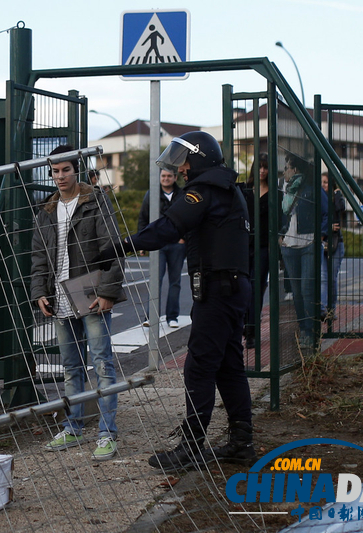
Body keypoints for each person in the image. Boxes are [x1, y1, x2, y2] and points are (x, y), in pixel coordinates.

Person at [98, 131, 256, 472]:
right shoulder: (228, 189)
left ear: (198, 159)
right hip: (231, 286)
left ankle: (190, 448)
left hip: (217, 289)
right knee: (228, 365)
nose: (181, 169)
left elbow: (168, 227)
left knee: (198, 367)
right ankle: (242, 442)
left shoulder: (204, 191)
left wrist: (122, 244)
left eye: (184, 161)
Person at [31, 144, 125, 462]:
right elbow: (39, 258)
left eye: (66, 170)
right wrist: (40, 292)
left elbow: (112, 246)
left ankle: (107, 432)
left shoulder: (96, 201)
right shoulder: (45, 211)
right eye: (55, 171)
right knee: (71, 367)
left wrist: (109, 292)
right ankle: (73, 427)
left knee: (102, 364)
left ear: (77, 169)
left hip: (89, 293)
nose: (60, 177)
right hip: (58, 297)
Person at [280, 154, 328, 349]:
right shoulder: (283, 188)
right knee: (297, 292)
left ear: (295, 170)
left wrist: (321, 235)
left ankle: (311, 332)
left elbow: (326, 212)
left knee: (308, 290)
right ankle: (303, 329)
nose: (284, 171)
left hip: (308, 243)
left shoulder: (312, 189)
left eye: (287, 167)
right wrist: (279, 236)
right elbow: (278, 213)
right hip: (288, 246)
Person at [138, 168, 186, 328]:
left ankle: (173, 317)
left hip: (177, 245)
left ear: (175, 177)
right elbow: (143, 217)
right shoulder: (150, 194)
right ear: (159, 177)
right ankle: (151, 316)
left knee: (175, 282)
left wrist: (183, 238)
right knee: (155, 281)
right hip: (157, 244)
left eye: (169, 176)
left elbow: (190, 217)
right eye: (163, 176)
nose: (166, 178)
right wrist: (142, 242)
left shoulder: (182, 194)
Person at [241, 153, 274, 348]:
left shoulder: (275, 194)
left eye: (266, 167)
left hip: (263, 247)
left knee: (257, 288)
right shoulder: (245, 191)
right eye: (259, 167)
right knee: (243, 288)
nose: (262, 170)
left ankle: (252, 331)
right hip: (243, 246)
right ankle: (244, 325)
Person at [320, 172, 345, 323]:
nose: (323, 185)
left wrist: (338, 193)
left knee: (332, 278)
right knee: (323, 277)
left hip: (336, 243)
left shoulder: (335, 199)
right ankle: (323, 309)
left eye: (326, 182)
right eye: (322, 182)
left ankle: (331, 309)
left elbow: (341, 208)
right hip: (322, 241)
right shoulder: (317, 200)